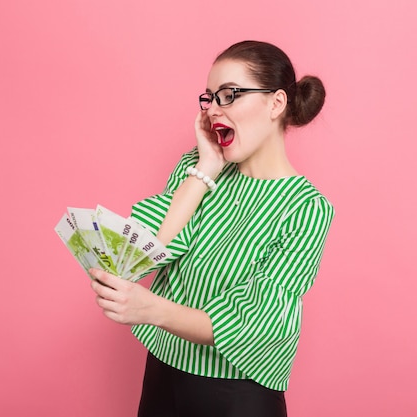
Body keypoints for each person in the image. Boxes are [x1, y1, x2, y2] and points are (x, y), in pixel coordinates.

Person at [89, 40, 334, 417]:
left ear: (276, 103)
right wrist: (205, 170)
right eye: (210, 98)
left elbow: (255, 321)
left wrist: (152, 309)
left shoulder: (306, 209)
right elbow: (144, 251)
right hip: (162, 371)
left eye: (229, 95)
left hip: (237, 394)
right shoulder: (200, 169)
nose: (214, 110)